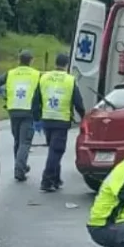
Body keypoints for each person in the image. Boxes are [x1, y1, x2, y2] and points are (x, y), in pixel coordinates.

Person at [32, 53, 85, 192]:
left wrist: (36, 118)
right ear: (67, 64)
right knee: (56, 151)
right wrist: (84, 116)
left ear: (55, 63)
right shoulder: (70, 80)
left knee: (54, 150)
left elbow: (36, 99)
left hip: (47, 119)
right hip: (61, 120)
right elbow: (78, 102)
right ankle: (47, 180)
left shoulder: (44, 77)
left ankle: (56, 178)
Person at [0, 49, 40, 181]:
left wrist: (1, 96)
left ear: (19, 60)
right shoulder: (36, 74)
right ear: (31, 60)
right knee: (25, 142)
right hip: (28, 111)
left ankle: (20, 165)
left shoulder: (10, 73)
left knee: (18, 140)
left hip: (13, 110)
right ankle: (19, 169)